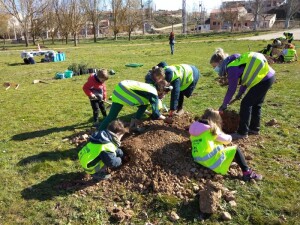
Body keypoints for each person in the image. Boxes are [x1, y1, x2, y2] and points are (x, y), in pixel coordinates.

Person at [210, 48, 276, 140]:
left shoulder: (231, 68)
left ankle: (242, 132)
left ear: (220, 62)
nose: (215, 69)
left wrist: (224, 104)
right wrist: (240, 94)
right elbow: (245, 79)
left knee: (246, 104)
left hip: (263, 80)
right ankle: (254, 129)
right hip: (269, 77)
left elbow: (231, 89)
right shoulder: (235, 62)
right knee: (256, 104)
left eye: (215, 66)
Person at [189, 108, 262, 181]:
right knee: (235, 149)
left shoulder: (194, 127)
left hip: (198, 158)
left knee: (216, 142)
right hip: (210, 161)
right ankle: (247, 173)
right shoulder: (212, 129)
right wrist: (229, 136)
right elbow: (227, 140)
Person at [98, 79, 172, 131]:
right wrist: (166, 119)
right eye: (165, 93)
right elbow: (156, 114)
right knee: (112, 116)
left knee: (112, 116)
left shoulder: (151, 87)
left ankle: (133, 125)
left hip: (121, 87)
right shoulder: (153, 93)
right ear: (161, 90)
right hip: (124, 90)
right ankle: (99, 133)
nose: (164, 96)